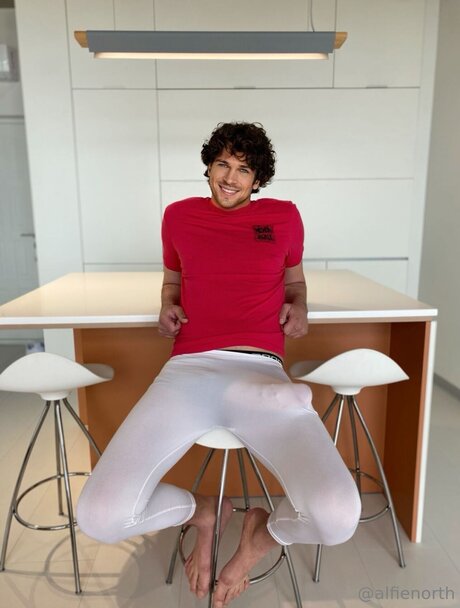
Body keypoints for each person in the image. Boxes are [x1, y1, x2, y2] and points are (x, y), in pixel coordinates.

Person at [77, 122, 361, 608]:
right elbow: (172, 282)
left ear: (258, 179)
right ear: (209, 166)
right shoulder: (178, 216)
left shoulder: (284, 217)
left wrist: (300, 306)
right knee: (99, 516)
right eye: (222, 164)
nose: (230, 178)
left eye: (243, 170)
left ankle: (258, 537)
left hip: (261, 374)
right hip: (187, 371)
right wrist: (167, 307)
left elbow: (295, 283)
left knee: (337, 518)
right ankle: (204, 510)